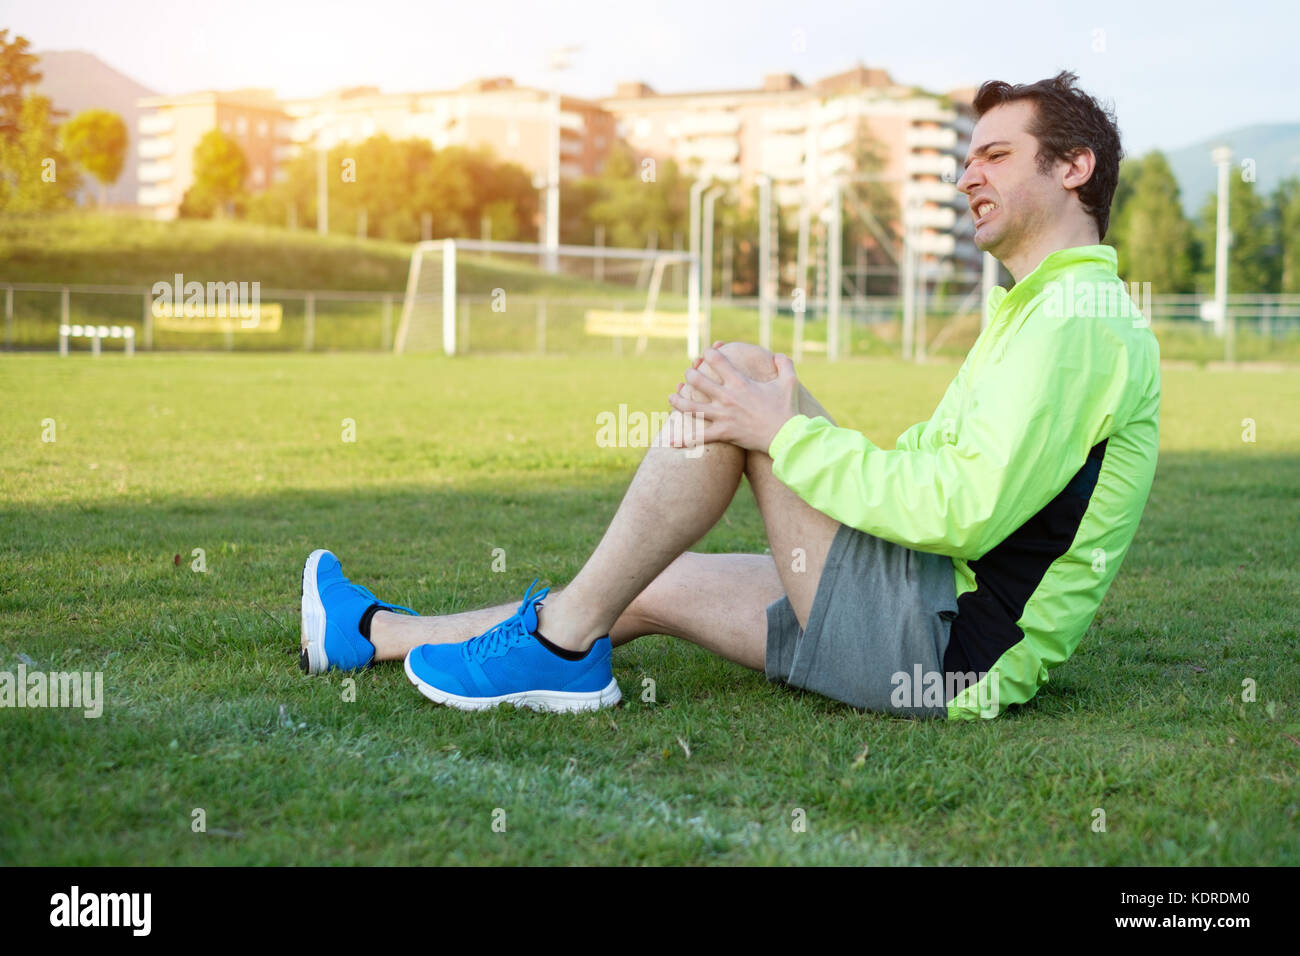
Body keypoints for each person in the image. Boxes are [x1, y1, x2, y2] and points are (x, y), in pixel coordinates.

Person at [299, 70, 1160, 720]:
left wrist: (783, 434)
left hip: (945, 650)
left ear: (1074, 167)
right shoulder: (1040, 308)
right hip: (922, 597)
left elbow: (964, 511)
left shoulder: (1078, 321)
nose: (967, 175)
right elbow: (946, 479)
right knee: (635, 578)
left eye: (995, 155)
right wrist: (796, 438)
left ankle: (559, 652)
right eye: (967, 158)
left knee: (744, 379)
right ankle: (372, 633)